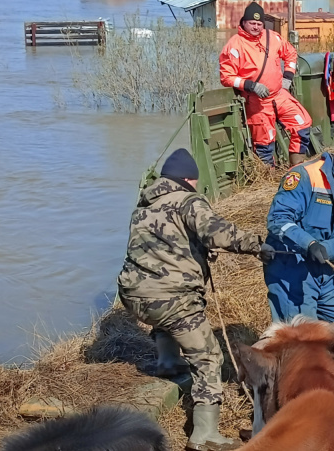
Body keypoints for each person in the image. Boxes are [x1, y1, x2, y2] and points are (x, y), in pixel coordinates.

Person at [116, 148, 275, 451]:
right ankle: (205, 434)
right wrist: (256, 245)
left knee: (165, 319)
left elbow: (166, 245)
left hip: (134, 296)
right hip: (171, 298)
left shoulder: (143, 206)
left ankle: (168, 363)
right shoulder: (188, 200)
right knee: (209, 357)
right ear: (190, 179)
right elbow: (217, 233)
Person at [265, 139, 334, 322]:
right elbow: (278, 219)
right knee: (304, 337)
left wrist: (326, 249)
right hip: (290, 267)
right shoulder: (305, 175)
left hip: (323, 268)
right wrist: (309, 244)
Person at [219, 2, 312, 167]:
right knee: (264, 145)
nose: (255, 27)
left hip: (279, 94)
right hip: (257, 102)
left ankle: (296, 170)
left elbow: (290, 53)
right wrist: (250, 85)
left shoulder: (272, 37)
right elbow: (226, 77)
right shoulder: (234, 45)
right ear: (244, 22)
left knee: (302, 125)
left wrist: (288, 77)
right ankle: (268, 180)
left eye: (259, 24)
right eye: (252, 23)